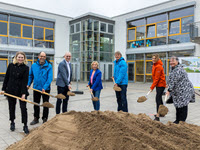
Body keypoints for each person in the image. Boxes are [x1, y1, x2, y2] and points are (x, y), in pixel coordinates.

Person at [1, 51, 29, 134]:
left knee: (23, 108)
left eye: (22, 57)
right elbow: (6, 78)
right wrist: (3, 89)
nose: (20, 59)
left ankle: (25, 125)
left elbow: (25, 81)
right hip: (11, 90)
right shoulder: (10, 66)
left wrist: (24, 94)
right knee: (11, 107)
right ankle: (12, 122)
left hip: (21, 91)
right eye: (19, 57)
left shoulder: (26, 68)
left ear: (24, 59)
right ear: (16, 58)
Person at [166, 56, 195, 124]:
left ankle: (182, 121)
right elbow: (170, 78)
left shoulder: (179, 69)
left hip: (184, 90)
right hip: (177, 91)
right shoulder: (173, 68)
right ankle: (177, 120)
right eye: (170, 61)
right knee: (177, 105)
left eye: (173, 61)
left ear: (177, 61)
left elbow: (174, 80)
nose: (171, 63)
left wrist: (169, 90)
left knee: (183, 106)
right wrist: (167, 83)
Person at [27, 52, 53, 125]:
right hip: (36, 88)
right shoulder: (34, 65)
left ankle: (45, 118)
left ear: (45, 57)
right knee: (36, 103)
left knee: (45, 104)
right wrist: (28, 84)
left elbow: (49, 78)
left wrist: (45, 87)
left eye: (44, 56)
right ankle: (36, 118)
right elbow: (30, 76)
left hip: (46, 89)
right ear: (38, 56)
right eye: (41, 56)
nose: (42, 57)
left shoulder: (49, 66)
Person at [150, 54, 166, 121]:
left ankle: (157, 116)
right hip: (158, 85)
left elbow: (157, 78)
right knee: (159, 99)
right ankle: (162, 113)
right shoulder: (154, 65)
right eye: (152, 58)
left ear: (157, 59)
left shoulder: (158, 66)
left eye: (154, 58)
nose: (153, 59)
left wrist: (152, 87)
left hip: (161, 85)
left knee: (158, 100)